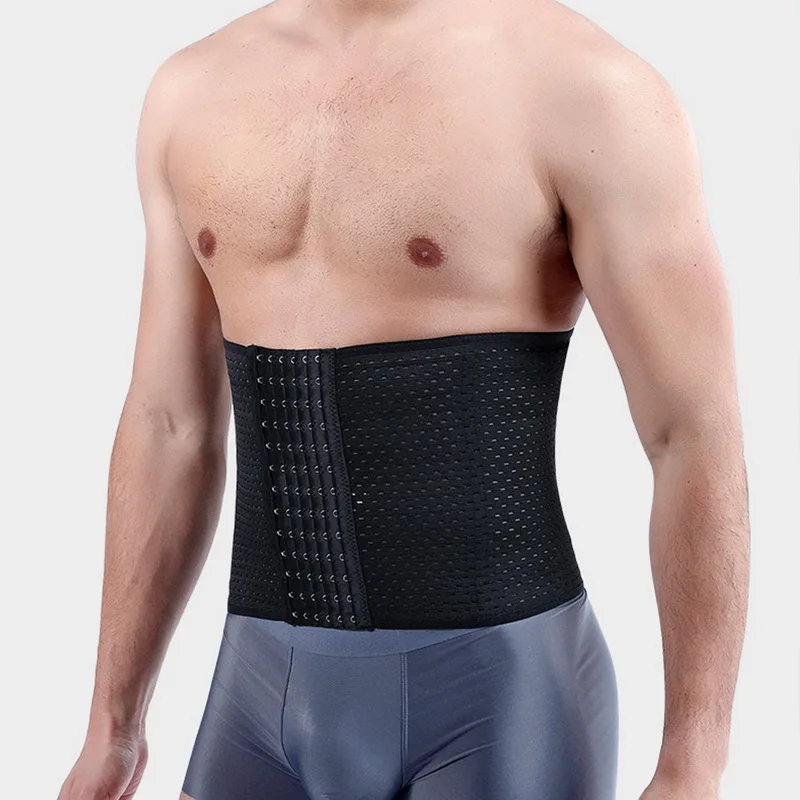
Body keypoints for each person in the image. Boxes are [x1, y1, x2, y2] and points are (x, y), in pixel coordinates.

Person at [57, 0, 750, 798]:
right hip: (255, 693)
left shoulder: (582, 87)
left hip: (497, 700)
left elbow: (691, 431)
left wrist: (694, 761)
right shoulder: (191, 89)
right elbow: (168, 424)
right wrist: (113, 721)